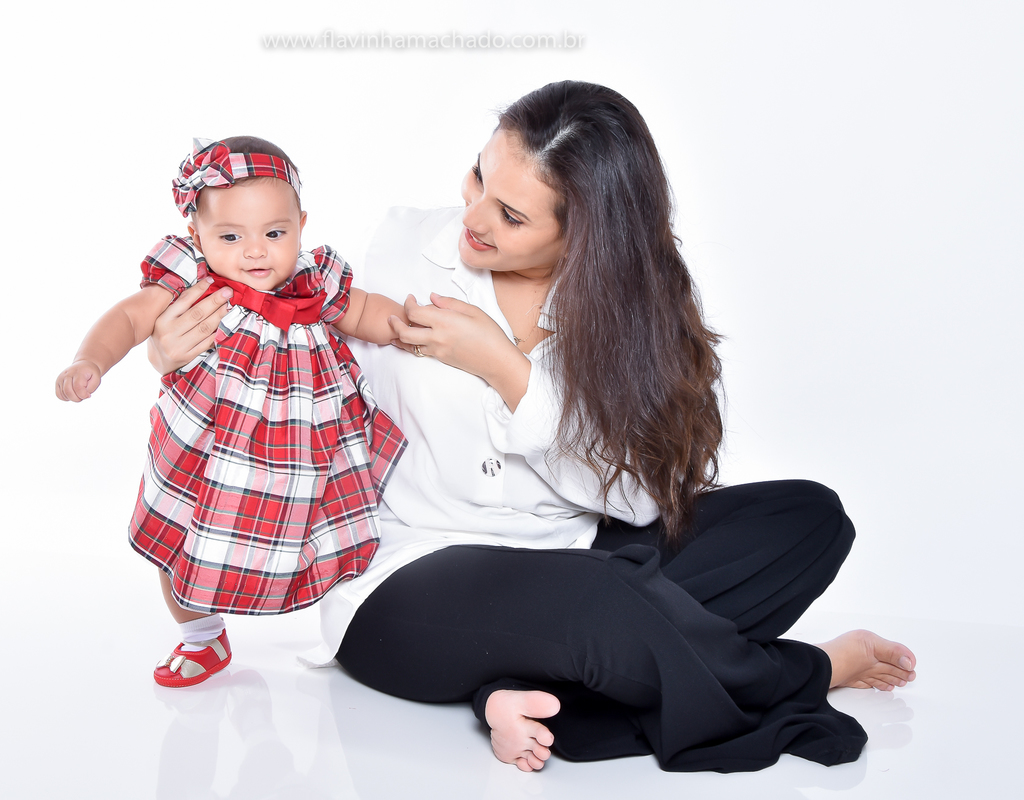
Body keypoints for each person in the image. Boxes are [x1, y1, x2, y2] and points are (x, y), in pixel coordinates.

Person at [146, 83, 917, 772]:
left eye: (511, 216)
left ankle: (524, 689)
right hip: (407, 572)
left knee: (807, 517)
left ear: (588, 236)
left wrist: (507, 371)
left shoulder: (633, 313)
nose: (473, 217)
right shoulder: (404, 247)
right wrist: (174, 351)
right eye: (479, 177)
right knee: (603, 600)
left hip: (576, 552)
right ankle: (805, 671)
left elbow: (637, 502)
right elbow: (274, 340)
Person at [55, 137, 407, 688]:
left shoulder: (314, 280)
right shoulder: (193, 278)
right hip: (208, 444)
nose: (255, 253)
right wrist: (90, 360)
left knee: (322, 532)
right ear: (196, 235)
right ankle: (201, 636)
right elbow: (129, 317)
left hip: (303, 451)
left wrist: (409, 328)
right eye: (230, 236)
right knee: (178, 538)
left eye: (274, 233)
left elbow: (362, 311)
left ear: (300, 225)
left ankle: (348, 621)